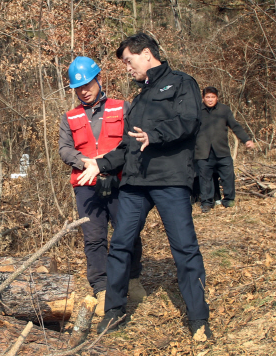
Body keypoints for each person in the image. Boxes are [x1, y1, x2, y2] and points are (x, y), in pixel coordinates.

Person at [78, 33, 212, 340]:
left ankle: (198, 320)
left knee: (184, 249)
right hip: (136, 184)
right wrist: (100, 164)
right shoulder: (138, 101)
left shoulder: (181, 83)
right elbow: (127, 147)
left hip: (169, 180)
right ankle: (114, 311)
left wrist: (156, 134)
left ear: (146, 54)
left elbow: (190, 121)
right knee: (121, 245)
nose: (126, 68)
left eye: (128, 60)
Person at [59, 56, 146, 317]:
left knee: (127, 231)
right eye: (78, 87)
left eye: (87, 84)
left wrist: (108, 166)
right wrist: (84, 162)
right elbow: (64, 149)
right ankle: (101, 287)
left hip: (120, 181)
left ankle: (132, 279)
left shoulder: (122, 107)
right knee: (94, 237)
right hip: (86, 185)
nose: (84, 90)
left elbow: (132, 143)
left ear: (99, 79)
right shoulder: (70, 117)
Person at [195, 86, 255, 212]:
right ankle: (206, 202)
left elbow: (235, 126)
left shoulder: (224, 110)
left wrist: (246, 140)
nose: (210, 100)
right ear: (203, 98)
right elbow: (187, 129)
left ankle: (229, 200)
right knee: (205, 178)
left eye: (213, 97)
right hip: (203, 151)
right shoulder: (197, 110)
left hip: (221, 150)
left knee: (228, 176)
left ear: (217, 98)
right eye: (207, 97)